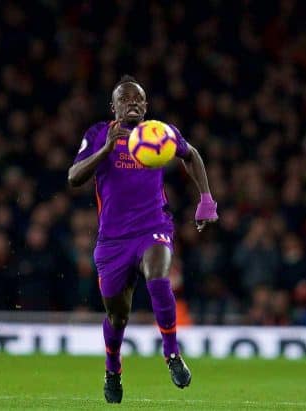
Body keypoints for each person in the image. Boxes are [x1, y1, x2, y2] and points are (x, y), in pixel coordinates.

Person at [68, 75, 218, 403]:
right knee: (117, 316)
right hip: (112, 240)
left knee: (159, 275)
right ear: (114, 107)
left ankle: (172, 354)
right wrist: (107, 148)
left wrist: (206, 199)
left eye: (138, 100)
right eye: (125, 100)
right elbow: (74, 177)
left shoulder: (159, 133)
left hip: (153, 226)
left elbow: (191, 154)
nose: (132, 104)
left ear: (146, 106)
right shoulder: (97, 134)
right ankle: (112, 368)